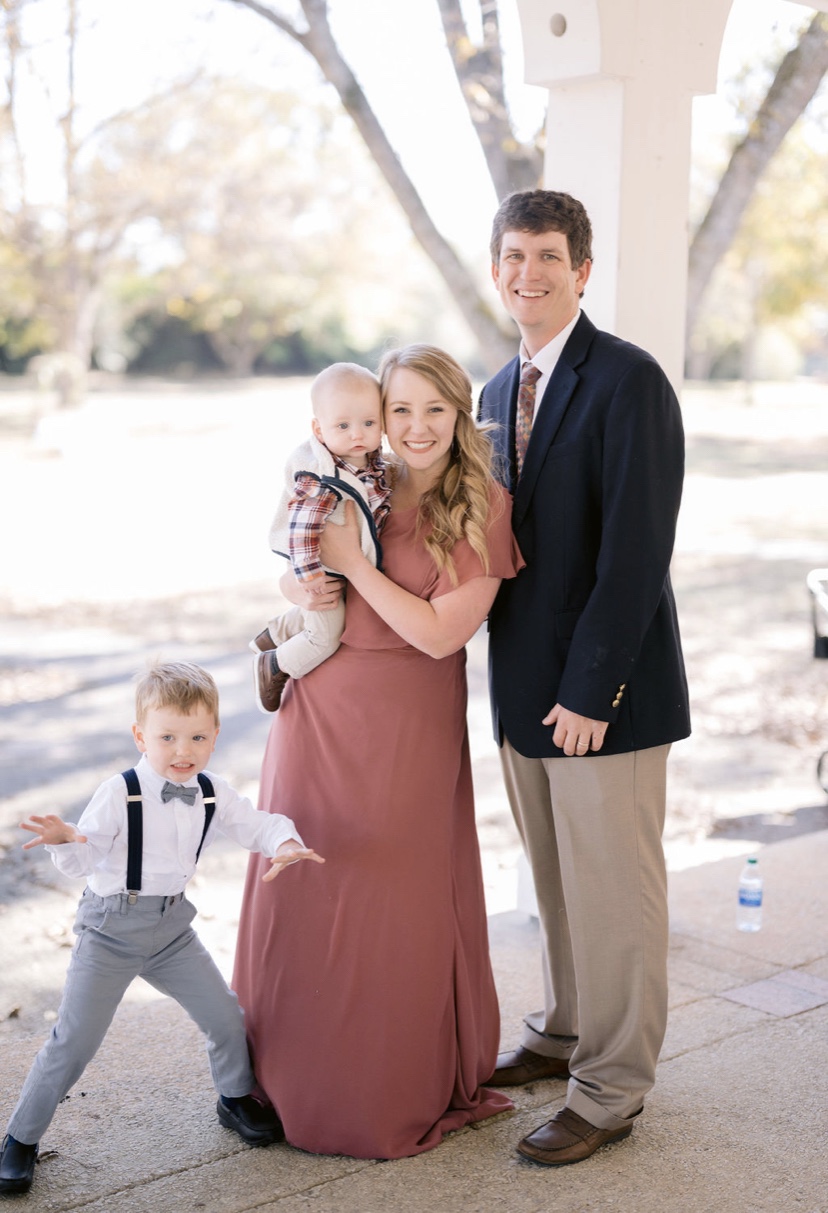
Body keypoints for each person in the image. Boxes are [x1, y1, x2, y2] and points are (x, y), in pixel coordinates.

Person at [232, 344, 524, 1160]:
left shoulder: (484, 504)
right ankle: (274, 1081)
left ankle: (380, 1086)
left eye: (435, 409)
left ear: (460, 413)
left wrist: (356, 566)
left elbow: (438, 635)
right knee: (306, 882)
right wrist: (303, 586)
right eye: (401, 409)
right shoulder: (360, 475)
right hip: (317, 711)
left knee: (391, 898)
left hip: (406, 722)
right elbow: (295, 563)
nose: (416, 427)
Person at [479, 190, 690, 1166]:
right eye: (514, 255)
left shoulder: (629, 380)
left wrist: (590, 691)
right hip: (521, 689)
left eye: (549, 256)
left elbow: (636, 554)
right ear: (497, 269)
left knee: (615, 896)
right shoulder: (492, 392)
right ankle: (566, 1027)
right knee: (557, 884)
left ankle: (610, 1088)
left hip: (605, 697)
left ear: (583, 270)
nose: (530, 272)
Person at [0, 661, 324, 1196]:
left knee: (225, 1016)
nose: (182, 751)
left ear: (215, 736)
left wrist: (284, 842)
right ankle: (21, 1138)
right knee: (74, 1041)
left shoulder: (212, 790)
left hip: (172, 929)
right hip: (111, 930)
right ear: (140, 736)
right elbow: (85, 860)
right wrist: (66, 839)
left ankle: (234, 1097)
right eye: (167, 737)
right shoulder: (119, 792)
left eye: (197, 737)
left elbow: (256, 823)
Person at [250, 362, 390, 712]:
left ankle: (275, 633)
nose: (357, 434)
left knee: (330, 607)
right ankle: (274, 665)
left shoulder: (365, 461)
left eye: (369, 423)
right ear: (319, 428)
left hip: (338, 566)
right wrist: (308, 574)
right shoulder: (322, 475)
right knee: (325, 636)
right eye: (343, 425)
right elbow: (301, 528)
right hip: (320, 568)